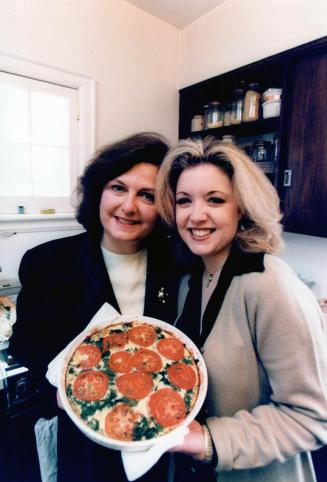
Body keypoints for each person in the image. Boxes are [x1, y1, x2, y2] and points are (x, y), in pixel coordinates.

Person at [9, 132, 180, 482]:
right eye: (118, 188)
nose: (129, 206)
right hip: (86, 438)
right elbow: (26, 347)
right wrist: (60, 396)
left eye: (146, 195)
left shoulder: (178, 265)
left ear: (163, 206)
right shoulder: (48, 262)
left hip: (159, 437)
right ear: (98, 191)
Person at [156, 136, 327, 482]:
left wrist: (204, 439)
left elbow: (310, 417)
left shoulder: (269, 285)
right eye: (184, 201)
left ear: (242, 208)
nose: (196, 215)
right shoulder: (191, 280)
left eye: (215, 200)